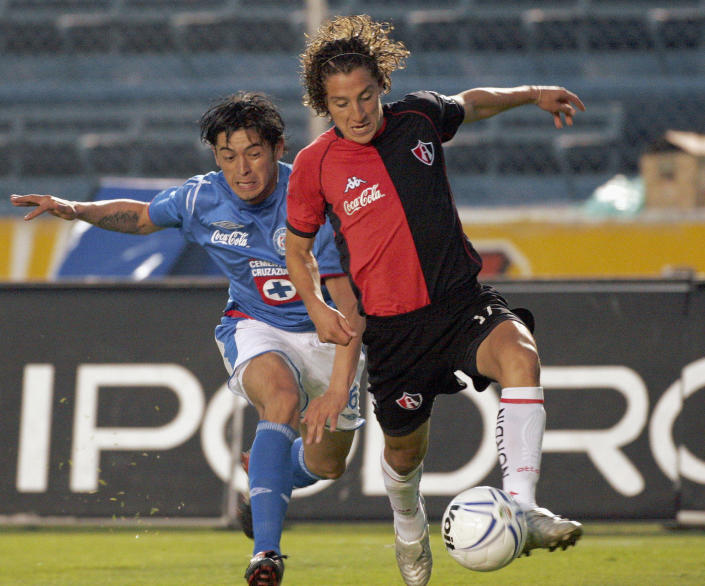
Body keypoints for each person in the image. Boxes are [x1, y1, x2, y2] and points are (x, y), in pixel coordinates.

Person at [10, 92, 365, 586]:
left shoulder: (311, 199)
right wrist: (74, 208)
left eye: (254, 152)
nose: (241, 169)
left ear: (279, 148)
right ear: (215, 157)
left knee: (328, 466)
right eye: (227, 155)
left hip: (329, 331)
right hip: (256, 324)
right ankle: (266, 554)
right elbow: (139, 216)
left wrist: (336, 389)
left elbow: (350, 305)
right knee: (279, 399)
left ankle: (268, 476)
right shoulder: (202, 198)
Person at [284, 14, 585, 586]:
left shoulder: (419, 117)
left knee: (520, 355)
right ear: (324, 105)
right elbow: (298, 253)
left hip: (459, 300)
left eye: (366, 96)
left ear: (383, 87)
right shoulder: (313, 166)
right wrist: (319, 307)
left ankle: (522, 506)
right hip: (394, 332)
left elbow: (472, 102)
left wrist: (532, 95)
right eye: (342, 103)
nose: (358, 113)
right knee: (404, 456)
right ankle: (406, 522)